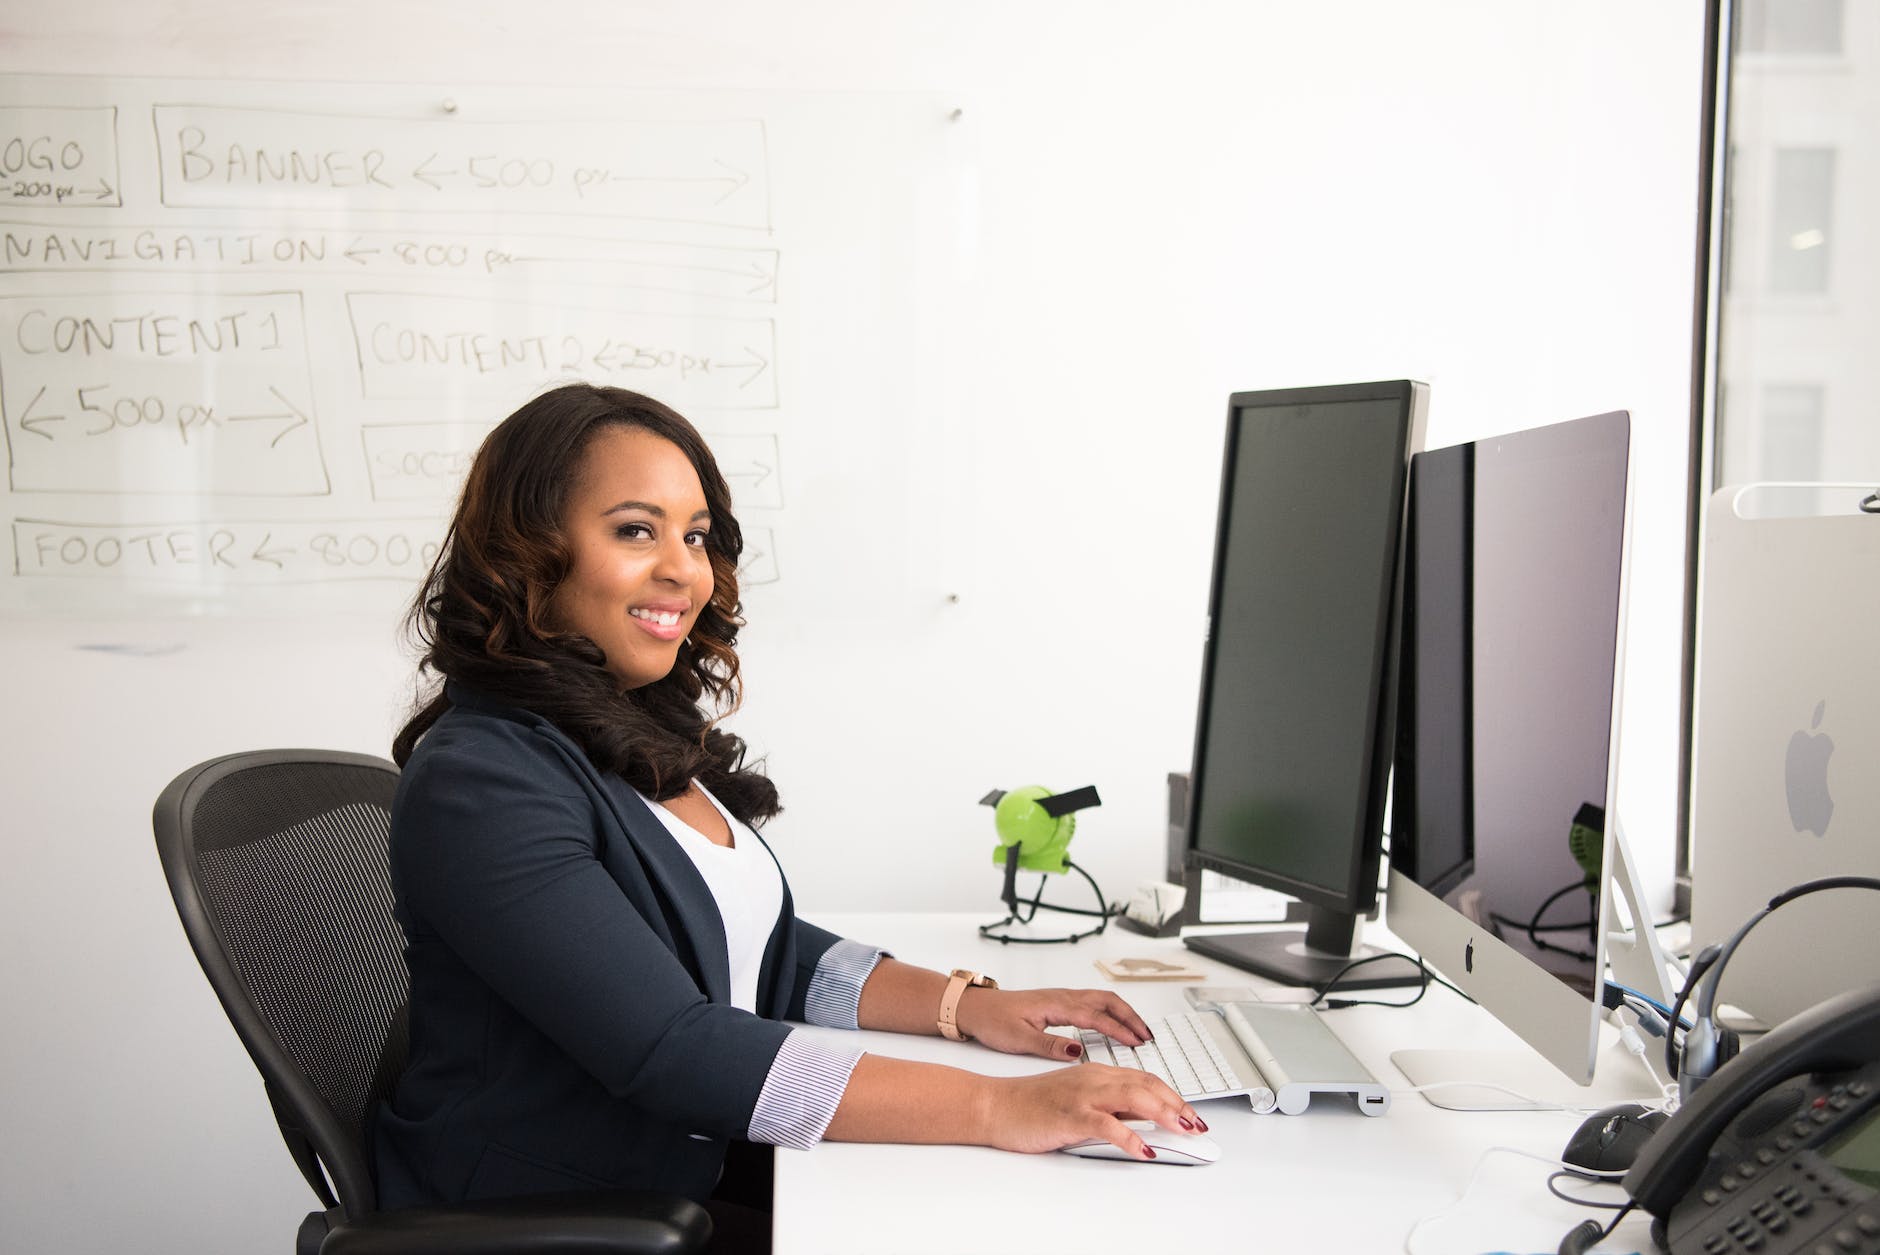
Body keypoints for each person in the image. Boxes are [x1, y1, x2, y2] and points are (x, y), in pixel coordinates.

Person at [374, 383, 1200, 1250]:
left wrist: (968, 1007)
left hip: (665, 1180)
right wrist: (1000, 1103)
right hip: (547, 1219)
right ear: (528, 555)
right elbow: (675, 1048)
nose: (683, 568)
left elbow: (768, 950)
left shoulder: (625, 733)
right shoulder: (483, 782)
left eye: (694, 535)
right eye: (634, 529)